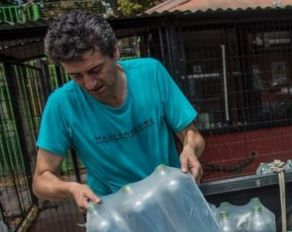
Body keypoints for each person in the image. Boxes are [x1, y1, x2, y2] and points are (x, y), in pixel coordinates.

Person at [32, 10, 205, 211]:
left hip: (173, 201)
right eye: (76, 76)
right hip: (116, 217)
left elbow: (192, 136)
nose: (89, 84)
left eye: (95, 70)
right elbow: (41, 180)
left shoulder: (151, 73)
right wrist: (71, 188)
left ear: (115, 52)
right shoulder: (61, 104)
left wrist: (190, 149)